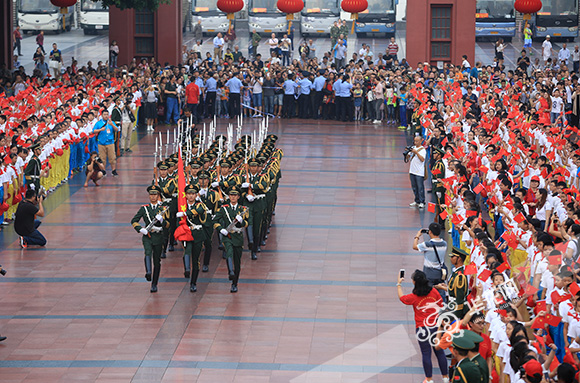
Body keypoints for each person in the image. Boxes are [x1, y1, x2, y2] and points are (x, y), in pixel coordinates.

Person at [397, 270, 449, 383]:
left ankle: (429, 379)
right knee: (440, 352)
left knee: (426, 353)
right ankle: (445, 377)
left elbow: (402, 298)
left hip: (422, 329)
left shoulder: (414, 297)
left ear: (415, 282)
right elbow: (441, 306)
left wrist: (399, 284)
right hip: (436, 327)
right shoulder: (434, 292)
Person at [131, 185, 169, 293]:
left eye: (155, 195)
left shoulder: (163, 209)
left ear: (158, 195)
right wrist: (140, 229)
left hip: (158, 236)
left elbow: (168, 225)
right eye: (151, 195)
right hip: (148, 236)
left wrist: (162, 220)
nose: (153, 197)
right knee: (147, 252)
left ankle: (154, 283)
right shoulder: (144, 209)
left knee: (157, 261)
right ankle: (148, 272)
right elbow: (134, 220)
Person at [213, 186, 249, 293]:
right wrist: (220, 229)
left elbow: (247, 223)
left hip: (237, 237)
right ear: (228, 197)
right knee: (229, 251)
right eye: (231, 195)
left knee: (237, 261)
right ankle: (230, 272)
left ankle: (235, 283)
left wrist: (241, 221)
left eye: (235, 195)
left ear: (238, 197)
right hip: (227, 236)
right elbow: (215, 221)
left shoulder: (243, 209)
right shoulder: (224, 208)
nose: (233, 197)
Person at [176, 184, 207, 292]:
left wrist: (184, 213)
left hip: (197, 234)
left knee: (196, 260)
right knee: (187, 252)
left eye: (193, 194)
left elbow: (198, 211)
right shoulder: (182, 206)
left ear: (196, 195)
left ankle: (193, 282)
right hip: (186, 233)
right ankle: (187, 269)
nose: (191, 196)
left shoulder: (200, 205)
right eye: (189, 194)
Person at [413, 222, 447, 293]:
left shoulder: (427, 245)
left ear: (430, 232)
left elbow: (414, 246)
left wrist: (417, 236)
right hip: (439, 273)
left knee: (429, 292)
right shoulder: (444, 244)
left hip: (428, 273)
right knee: (440, 292)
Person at [92, 110, 119, 176]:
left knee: (112, 157)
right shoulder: (98, 123)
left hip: (110, 143)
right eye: (104, 114)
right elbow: (94, 131)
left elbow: (117, 129)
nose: (106, 116)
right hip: (101, 143)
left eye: (107, 114)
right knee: (102, 158)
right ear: (102, 115)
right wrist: (100, 130)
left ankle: (113, 170)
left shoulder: (111, 122)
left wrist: (112, 124)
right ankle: (103, 170)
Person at [408, 136, 426, 208]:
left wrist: (416, 152)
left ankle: (422, 201)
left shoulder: (422, 150)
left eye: (417, 141)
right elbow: (408, 158)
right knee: (414, 187)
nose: (415, 143)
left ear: (421, 141)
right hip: (412, 170)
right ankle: (417, 200)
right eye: (415, 141)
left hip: (419, 172)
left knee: (420, 187)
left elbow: (422, 159)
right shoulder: (413, 148)